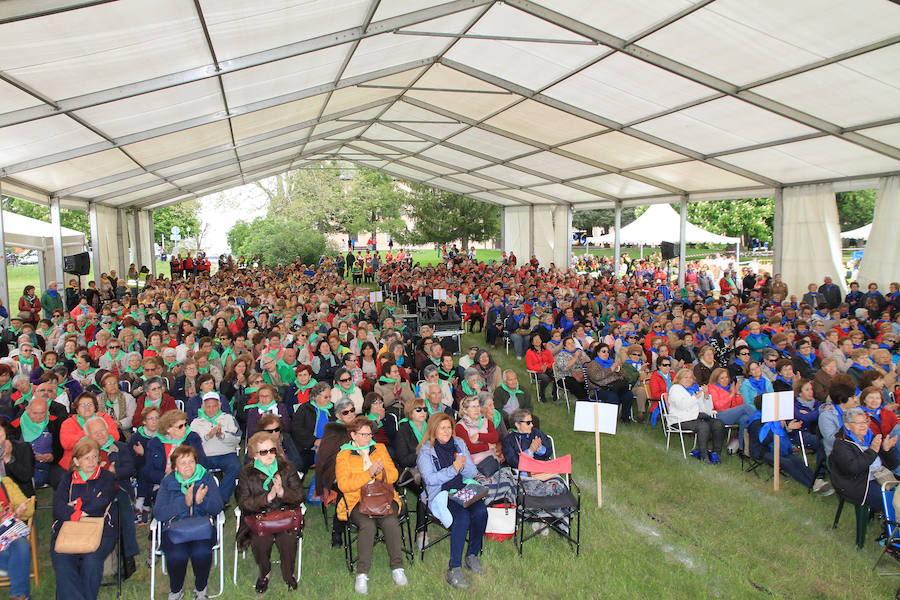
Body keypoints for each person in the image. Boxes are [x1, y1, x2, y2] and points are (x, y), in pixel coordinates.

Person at [335, 416, 407, 594]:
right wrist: (369, 474)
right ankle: (362, 574)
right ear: (353, 435)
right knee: (367, 525)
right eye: (363, 434)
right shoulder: (343, 455)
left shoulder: (380, 448)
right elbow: (344, 485)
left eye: (370, 434)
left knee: (390, 522)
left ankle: (397, 568)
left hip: (383, 497)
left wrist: (380, 473)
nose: (368, 438)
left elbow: (394, 475)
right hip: (357, 501)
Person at [417, 413, 487, 590]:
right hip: (441, 494)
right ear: (433, 429)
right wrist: (453, 469)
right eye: (442, 427)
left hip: (462, 489)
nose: (447, 431)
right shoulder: (426, 451)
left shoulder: (459, 443)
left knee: (481, 512)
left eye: (449, 427)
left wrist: (464, 463)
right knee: (462, 517)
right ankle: (454, 568)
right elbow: (431, 480)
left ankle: (472, 555)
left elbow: (471, 473)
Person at [152, 445, 224, 600]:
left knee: (202, 552)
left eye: (191, 461)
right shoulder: (167, 483)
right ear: (175, 467)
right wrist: (185, 503)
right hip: (174, 529)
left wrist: (200, 502)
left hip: (202, 527)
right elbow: (158, 513)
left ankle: (200, 590)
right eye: (183, 463)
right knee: (177, 555)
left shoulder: (206, 478)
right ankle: (176, 590)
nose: (188, 466)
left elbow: (218, 507)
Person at [236, 432, 304, 592]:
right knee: (260, 541)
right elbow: (244, 504)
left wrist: (281, 492)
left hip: (285, 515)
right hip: (258, 518)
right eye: (264, 452)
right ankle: (264, 573)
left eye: (272, 450)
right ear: (254, 455)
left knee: (288, 541)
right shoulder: (246, 473)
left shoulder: (287, 468)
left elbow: (300, 495)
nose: (269, 455)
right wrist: (268, 497)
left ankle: (288, 575)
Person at [50, 438, 117, 600]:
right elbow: (58, 508)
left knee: (91, 560)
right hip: (68, 530)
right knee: (62, 559)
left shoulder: (107, 477)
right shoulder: (67, 480)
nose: (91, 461)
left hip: (101, 531)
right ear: (76, 461)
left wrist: (75, 505)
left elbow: (102, 503)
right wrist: (81, 511)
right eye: (86, 458)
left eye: (94, 457)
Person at [830, 406, 899, 513]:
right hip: (859, 484)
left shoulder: (870, 437)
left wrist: (886, 450)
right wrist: (872, 451)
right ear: (847, 426)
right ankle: (891, 528)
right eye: (858, 423)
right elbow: (853, 468)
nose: (863, 425)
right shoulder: (841, 444)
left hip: (880, 477)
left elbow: (893, 465)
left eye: (865, 421)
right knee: (894, 503)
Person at [190, 392, 241, 504]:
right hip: (205, 456)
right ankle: (205, 497)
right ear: (203, 408)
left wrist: (221, 435)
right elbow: (191, 444)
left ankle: (220, 499)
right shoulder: (196, 423)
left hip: (226, 454)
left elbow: (237, 439)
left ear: (219, 406)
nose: (211, 409)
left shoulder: (228, 418)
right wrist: (207, 436)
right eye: (208, 407)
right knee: (195, 469)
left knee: (236, 467)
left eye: (214, 406)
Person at [667, 368, 725, 464]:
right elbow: (682, 405)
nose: (688, 380)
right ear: (679, 379)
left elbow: (707, 410)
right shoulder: (675, 389)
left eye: (691, 378)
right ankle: (704, 456)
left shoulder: (695, 389)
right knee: (703, 426)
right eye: (685, 377)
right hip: (680, 419)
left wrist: (706, 396)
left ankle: (716, 454)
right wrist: (696, 396)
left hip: (696, 417)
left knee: (718, 423)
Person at [0, 444, 34, 600]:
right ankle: (21, 595)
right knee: (19, 556)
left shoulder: (6, 483)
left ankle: (18, 596)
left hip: (8, 534)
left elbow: (28, 508)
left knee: (21, 546)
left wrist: (21, 509)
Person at [144, 409, 207, 488]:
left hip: (191, 480)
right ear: (168, 429)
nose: (184, 428)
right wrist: (166, 476)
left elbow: (202, 462)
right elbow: (149, 471)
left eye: (185, 424)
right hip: (165, 483)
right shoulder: (155, 443)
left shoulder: (192, 438)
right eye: (180, 426)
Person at [291, 382, 334, 474]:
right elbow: (296, 429)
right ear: (316, 396)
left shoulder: (333, 408)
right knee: (300, 464)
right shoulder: (305, 408)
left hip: (329, 446)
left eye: (330, 396)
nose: (329, 399)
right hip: (308, 448)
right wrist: (314, 441)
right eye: (326, 397)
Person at [525, 334, 554, 403]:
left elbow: (552, 362)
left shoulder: (546, 350)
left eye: (539, 339)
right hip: (536, 373)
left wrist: (546, 366)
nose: (538, 341)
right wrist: (540, 368)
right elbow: (529, 366)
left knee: (556, 376)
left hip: (547, 369)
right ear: (532, 342)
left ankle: (554, 394)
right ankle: (542, 394)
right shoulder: (529, 352)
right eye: (535, 339)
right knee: (546, 378)